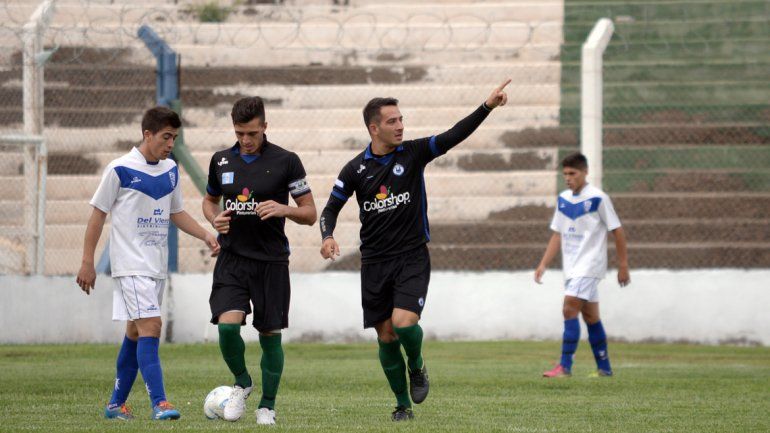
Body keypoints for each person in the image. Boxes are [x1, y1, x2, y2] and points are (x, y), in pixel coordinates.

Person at [319, 80, 511, 421]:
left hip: (411, 257)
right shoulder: (354, 169)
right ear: (373, 128)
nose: (401, 126)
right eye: (392, 121)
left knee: (404, 324)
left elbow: (453, 135)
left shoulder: (413, 153)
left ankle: (418, 366)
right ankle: (402, 405)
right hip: (374, 263)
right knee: (386, 337)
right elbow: (330, 209)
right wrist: (327, 236)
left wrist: (487, 106)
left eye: (401, 119)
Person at [76, 106, 220, 420]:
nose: (170, 144)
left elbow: (176, 212)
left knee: (136, 332)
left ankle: (115, 404)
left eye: (175, 138)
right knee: (152, 326)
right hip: (130, 265)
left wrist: (205, 235)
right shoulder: (119, 169)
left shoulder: (169, 170)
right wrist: (88, 262)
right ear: (147, 134)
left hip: (154, 267)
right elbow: (97, 215)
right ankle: (160, 403)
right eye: (166, 137)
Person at [202, 96, 316, 425]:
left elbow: (310, 213)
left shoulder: (287, 161)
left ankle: (267, 405)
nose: (246, 140)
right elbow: (209, 201)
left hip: (271, 262)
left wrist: (284, 209)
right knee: (226, 328)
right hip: (232, 259)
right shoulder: (221, 161)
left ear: (265, 127)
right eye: (239, 133)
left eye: (252, 133)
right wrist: (214, 219)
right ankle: (242, 381)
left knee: (269, 336)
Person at [534, 152, 630, 378]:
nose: (568, 178)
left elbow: (617, 230)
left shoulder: (598, 198)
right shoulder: (563, 198)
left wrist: (623, 265)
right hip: (572, 267)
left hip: (590, 265)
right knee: (590, 317)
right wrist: (543, 264)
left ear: (585, 172)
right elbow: (557, 234)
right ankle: (604, 368)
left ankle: (564, 366)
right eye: (565, 174)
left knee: (569, 308)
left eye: (572, 173)